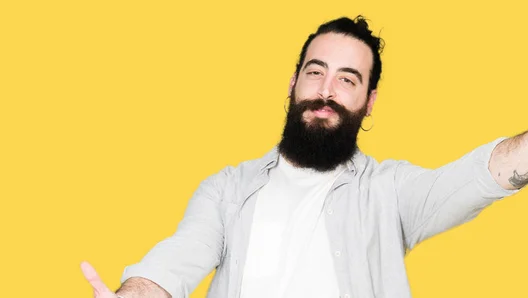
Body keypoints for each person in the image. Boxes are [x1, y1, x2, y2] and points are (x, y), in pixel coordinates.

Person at [80, 15, 527, 298]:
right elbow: (176, 261)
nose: (326, 92)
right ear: (295, 82)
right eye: (316, 73)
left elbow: (480, 175)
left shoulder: (391, 192)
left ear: (369, 102)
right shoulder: (227, 190)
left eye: (347, 80)